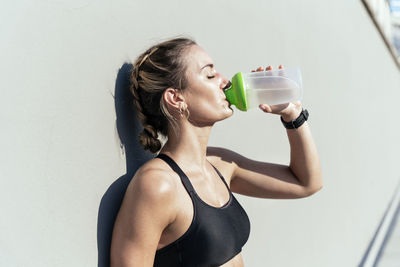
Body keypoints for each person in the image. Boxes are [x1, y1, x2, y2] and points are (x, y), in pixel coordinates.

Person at [110, 37, 322, 267]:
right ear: (176, 98)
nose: (224, 81)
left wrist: (292, 115)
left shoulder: (221, 164)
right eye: (210, 75)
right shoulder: (157, 184)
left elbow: (305, 183)